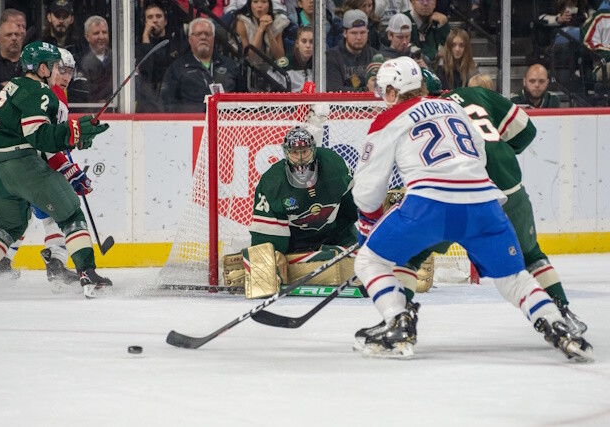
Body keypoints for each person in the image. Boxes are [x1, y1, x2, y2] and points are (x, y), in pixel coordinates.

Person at [351, 56, 592, 361]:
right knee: (515, 278)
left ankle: (398, 321)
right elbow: (478, 152)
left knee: (369, 262)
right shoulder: (454, 107)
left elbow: (368, 193)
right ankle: (557, 324)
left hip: (428, 206)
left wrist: (368, 228)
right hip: (484, 204)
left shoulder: (389, 119)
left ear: (391, 92)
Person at [0, 42, 112, 298]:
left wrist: (70, 155)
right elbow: (38, 138)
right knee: (70, 213)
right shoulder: (41, 92)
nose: (60, 72)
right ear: (43, 68)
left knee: (8, 228)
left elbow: (44, 144)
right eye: (56, 66)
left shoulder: (13, 86)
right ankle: (87, 274)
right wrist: (75, 132)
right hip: (18, 162)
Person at [0, 47, 88, 287]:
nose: (65, 76)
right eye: (60, 70)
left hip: (17, 162)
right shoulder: (51, 94)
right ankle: (56, 262)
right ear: (49, 69)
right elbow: (49, 139)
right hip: (34, 162)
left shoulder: (32, 88)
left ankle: (4, 259)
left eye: (70, 71)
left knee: (25, 212)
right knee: (58, 212)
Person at [225, 126, 358, 298]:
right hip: (294, 247)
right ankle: (251, 264)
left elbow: (352, 210)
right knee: (264, 273)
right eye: (295, 152)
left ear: (314, 150)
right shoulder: (273, 183)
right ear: (286, 153)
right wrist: (264, 267)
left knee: (368, 258)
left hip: (332, 235)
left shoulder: (335, 167)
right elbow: (268, 238)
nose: (301, 158)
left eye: (305, 151)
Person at [161, 18, 240, 112]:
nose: (203, 37)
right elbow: (167, 103)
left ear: (213, 39)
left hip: (226, 121)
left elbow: (244, 98)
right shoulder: (177, 68)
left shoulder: (229, 65)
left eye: (207, 34)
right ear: (190, 39)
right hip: (190, 122)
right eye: (198, 34)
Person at [136, 0, 186, 112]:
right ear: (145, 22)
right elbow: (146, 71)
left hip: (171, 100)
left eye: (158, 16)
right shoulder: (139, 48)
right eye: (150, 17)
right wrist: (145, 37)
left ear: (165, 21)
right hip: (148, 102)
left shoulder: (177, 46)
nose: (155, 20)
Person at [326, 9, 379, 91]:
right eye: (354, 33)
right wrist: (366, 89)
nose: (359, 38)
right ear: (345, 33)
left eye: (363, 33)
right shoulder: (332, 57)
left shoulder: (375, 56)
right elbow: (335, 90)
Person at [235, 0, 290, 65]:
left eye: (264, 2)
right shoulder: (241, 21)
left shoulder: (277, 22)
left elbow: (280, 57)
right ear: (250, 4)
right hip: (247, 68)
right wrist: (260, 29)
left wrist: (269, 31)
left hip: (268, 69)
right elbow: (248, 56)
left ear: (269, 5)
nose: (259, 6)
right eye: (255, 2)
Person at [79, 15, 113, 103]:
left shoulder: (116, 58)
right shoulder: (80, 60)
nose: (101, 37)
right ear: (87, 37)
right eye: (96, 33)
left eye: (104, 32)